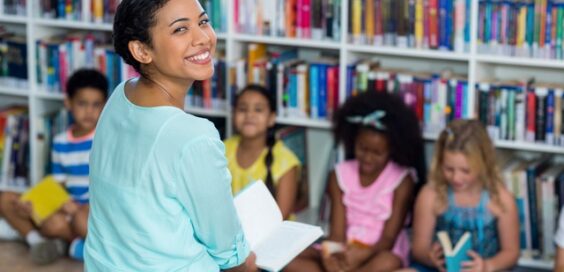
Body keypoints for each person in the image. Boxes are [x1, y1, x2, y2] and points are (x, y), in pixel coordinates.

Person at [84, 0, 256, 271]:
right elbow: (227, 249)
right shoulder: (194, 137)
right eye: (180, 30)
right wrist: (247, 262)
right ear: (141, 50)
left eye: (203, 22)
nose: (203, 38)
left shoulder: (121, 95)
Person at [286, 91, 426, 272]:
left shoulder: (402, 180)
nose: (368, 158)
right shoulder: (339, 175)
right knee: (291, 260)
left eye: (377, 153)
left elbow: (389, 239)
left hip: (379, 251)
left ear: (391, 149)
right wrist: (332, 255)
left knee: (388, 262)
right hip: (345, 250)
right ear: (353, 142)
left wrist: (364, 254)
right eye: (362, 149)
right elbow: (337, 234)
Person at [0, 68, 108, 264]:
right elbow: (58, 185)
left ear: (105, 106)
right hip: (67, 208)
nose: (89, 111)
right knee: (8, 200)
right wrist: (34, 203)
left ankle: (72, 246)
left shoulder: (103, 139)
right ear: (68, 103)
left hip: (92, 211)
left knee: (82, 218)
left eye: (96, 105)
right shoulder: (60, 142)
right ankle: (40, 242)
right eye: (82, 104)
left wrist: (78, 210)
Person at [411, 119, 520, 272]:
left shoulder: (500, 199)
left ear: (483, 164)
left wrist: (487, 266)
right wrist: (430, 257)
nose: (456, 178)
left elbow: (511, 253)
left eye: (465, 171)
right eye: (449, 169)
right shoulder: (430, 195)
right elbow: (418, 248)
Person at [225, 84, 300, 219]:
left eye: (258, 110)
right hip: (229, 231)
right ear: (233, 114)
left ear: (271, 118)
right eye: (242, 109)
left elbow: (280, 217)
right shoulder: (222, 149)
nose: (249, 115)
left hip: (272, 235)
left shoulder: (286, 162)